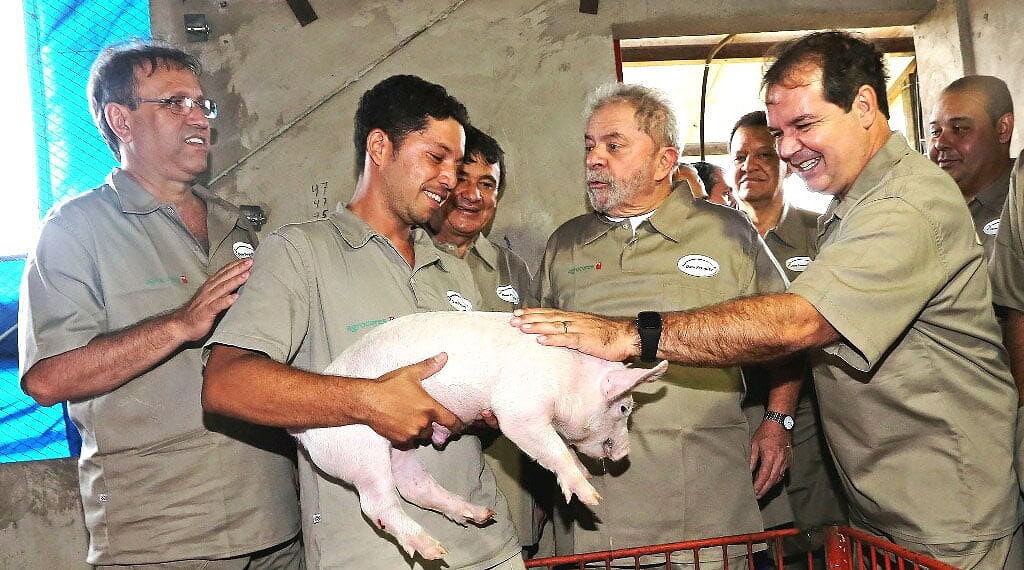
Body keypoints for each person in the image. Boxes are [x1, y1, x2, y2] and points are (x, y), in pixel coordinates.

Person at [513, 31, 1022, 570]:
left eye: (803, 125)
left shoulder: (905, 204)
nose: (784, 149)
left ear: (866, 106)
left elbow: (800, 322)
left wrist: (632, 333)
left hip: (947, 507)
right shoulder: (854, 203)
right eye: (780, 131)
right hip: (886, 502)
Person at [202, 75, 522, 570]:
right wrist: (370, 400)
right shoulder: (301, 253)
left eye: (456, 166)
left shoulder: (452, 268)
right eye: (435, 158)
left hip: (487, 548)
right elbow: (226, 383)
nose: (449, 179)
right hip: (376, 555)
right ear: (380, 147)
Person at [18, 42, 302, 568]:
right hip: (162, 536)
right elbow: (48, 379)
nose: (198, 117)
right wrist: (180, 323)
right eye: (174, 103)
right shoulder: (74, 230)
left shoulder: (236, 224)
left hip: (275, 524)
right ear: (120, 121)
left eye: (201, 104)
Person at [532, 83, 800, 568]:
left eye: (614, 146)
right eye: (589, 146)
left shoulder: (725, 232)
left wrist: (778, 420)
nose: (595, 159)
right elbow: (533, 357)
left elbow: (786, 331)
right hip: (598, 503)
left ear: (664, 161)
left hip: (705, 496)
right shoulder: (565, 245)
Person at [730, 110, 848, 566]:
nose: (750, 165)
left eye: (763, 154)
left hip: (813, 416)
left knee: (815, 538)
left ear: (784, 162)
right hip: (739, 416)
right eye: (739, 156)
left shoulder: (819, 234)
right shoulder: (716, 239)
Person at [426, 125, 542, 554]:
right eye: (462, 179)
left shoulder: (513, 270)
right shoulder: (405, 260)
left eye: (487, 183)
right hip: (433, 461)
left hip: (507, 466)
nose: (473, 195)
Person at [928, 75, 1014, 260]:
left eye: (959, 128)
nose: (940, 143)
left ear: (1003, 128)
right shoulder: (925, 206)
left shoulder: (1018, 203)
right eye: (935, 132)